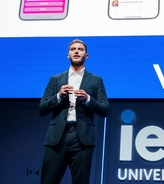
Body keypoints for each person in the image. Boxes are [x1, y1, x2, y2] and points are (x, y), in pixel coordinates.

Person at [38, 39, 110, 184]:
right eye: (73, 49)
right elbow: (42, 108)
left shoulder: (96, 80)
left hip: (82, 137)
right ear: (68, 55)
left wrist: (88, 98)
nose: (76, 51)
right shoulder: (55, 79)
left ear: (86, 55)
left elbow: (105, 109)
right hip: (57, 137)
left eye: (80, 49)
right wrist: (58, 96)